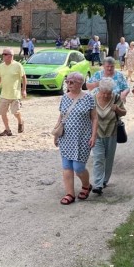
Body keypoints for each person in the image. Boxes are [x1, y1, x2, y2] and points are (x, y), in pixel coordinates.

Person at [53, 72, 97, 205]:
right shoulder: (64, 98)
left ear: (80, 83)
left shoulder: (89, 98)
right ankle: (70, 194)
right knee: (67, 166)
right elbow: (61, 116)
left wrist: (94, 135)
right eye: (67, 82)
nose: (68, 84)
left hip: (83, 138)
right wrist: (56, 134)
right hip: (66, 137)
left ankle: (86, 185)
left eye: (71, 82)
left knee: (78, 167)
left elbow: (94, 118)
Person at [92, 78, 127, 195]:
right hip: (96, 134)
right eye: (104, 93)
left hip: (112, 133)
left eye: (109, 93)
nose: (106, 95)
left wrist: (117, 109)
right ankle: (98, 184)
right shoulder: (92, 99)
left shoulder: (116, 98)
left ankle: (104, 181)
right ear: (99, 90)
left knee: (109, 158)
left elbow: (124, 112)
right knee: (98, 158)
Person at [0, 48, 27, 136]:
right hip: (4, 94)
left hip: (15, 94)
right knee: (3, 113)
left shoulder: (18, 65)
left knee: (15, 112)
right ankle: (7, 130)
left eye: (5, 54)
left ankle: (20, 121)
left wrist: (24, 90)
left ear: (11, 56)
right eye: (3, 54)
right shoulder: (1, 66)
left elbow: (24, 78)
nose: (3, 56)